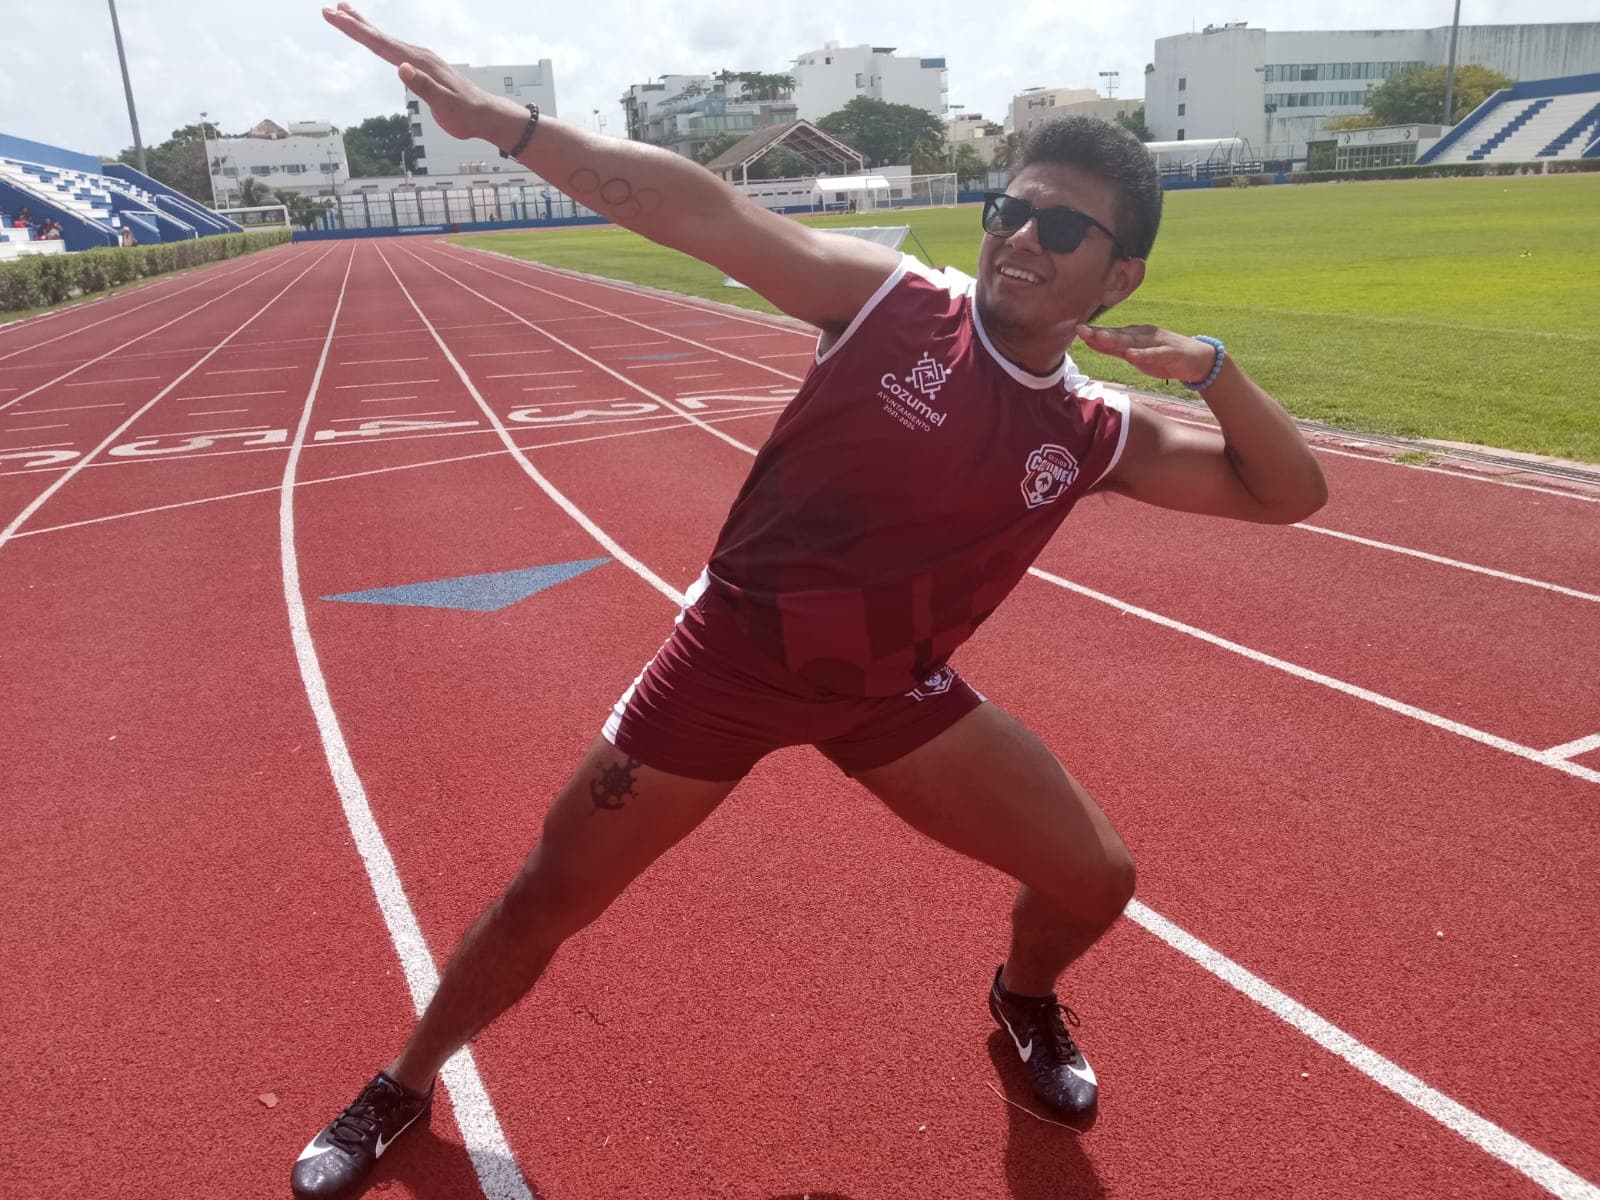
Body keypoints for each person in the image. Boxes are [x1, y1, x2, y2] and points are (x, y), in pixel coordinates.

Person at [295, 6, 1328, 1197]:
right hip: (727, 665)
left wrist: (1213, 370)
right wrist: (507, 127)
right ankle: (404, 1081)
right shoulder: (895, 305)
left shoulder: (1096, 431)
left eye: (1059, 227)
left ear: (1122, 273)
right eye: (1007, 209)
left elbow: (1287, 494)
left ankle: (1023, 996)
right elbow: (700, 213)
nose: (1018, 238)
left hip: (892, 696)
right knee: (548, 895)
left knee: (1097, 880)